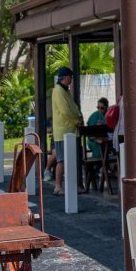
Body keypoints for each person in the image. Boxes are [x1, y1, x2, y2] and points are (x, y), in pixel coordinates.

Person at [50, 65, 82, 196]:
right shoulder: (58, 91)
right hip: (63, 131)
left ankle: (70, 186)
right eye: (71, 77)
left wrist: (79, 116)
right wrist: (76, 120)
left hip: (70, 131)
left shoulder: (65, 90)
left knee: (69, 160)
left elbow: (73, 107)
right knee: (61, 160)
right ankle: (58, 186)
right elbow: (65, 110)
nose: (72, 79)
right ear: (65, 77)